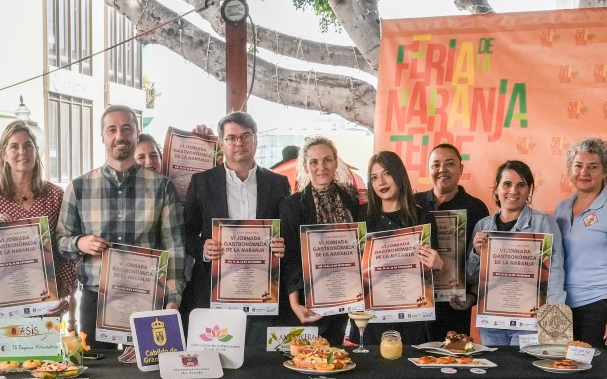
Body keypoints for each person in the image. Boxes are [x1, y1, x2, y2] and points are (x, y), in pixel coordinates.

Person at [56, 104, 185, 348]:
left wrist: (173, 297)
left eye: (127, 129)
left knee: (146, 378)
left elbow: (175, 248)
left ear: (137, 133)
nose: (119, 136)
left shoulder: (162, 187)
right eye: (112, 129)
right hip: (95, 299)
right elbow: (61, 241)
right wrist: (79, 243)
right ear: (102, 136)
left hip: (147, 298)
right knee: (98, 378)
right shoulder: (79, 187)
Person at [181, 111, 290, 345]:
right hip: (215, 290)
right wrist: (202, 247)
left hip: (262, 292)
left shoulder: (278, 183)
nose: (239, 143)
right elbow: (185, 232)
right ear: (222, 143)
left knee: (257, 364)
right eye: (232, 138)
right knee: (218, 360)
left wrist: (283, 244)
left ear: (256, 139)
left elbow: (286, 231)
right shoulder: (201, 182)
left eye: (246, 136)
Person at [0, 120, 75, 347]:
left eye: (29, 145)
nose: (22, 152)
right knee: (3, 371)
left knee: (42, 369)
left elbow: (64, 247)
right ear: (3, 154)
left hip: (45, 301)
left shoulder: (55, 195)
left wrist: (66, 291)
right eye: (14, 146)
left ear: (37, 152)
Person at [466, 160, 566, 346]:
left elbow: (556, 272)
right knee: (496, 371)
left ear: (529, 190)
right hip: (492, 322)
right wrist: (476, 253)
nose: (513, 191)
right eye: (507, 184)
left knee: (524, 373)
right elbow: (470, 278)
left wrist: (552, 319)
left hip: (531, 321)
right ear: (496, 188)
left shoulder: (543, 223)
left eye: (521, 185)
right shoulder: (482, 226)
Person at [553, 138, 607, 351]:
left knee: (592, 377)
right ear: (570, 169)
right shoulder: (562, 208)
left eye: (593, 167)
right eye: (578, 166)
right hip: (562, 307)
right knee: (562, 374)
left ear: (606, 171)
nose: (584, 172)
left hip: (599, 306)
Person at [280, 136, 365, 345]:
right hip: (309, 302)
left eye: (327, 160)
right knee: (310, 358)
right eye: (314, 162)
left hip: (347, 297)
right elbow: (289, 257)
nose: (321, 167)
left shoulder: (352, 198)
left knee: (338, 355)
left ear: (336, 162)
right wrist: (294, 302)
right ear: (306, 167)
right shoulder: (291, 206)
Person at [365, 150, 444, 345]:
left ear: (399, 174)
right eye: (374, 177)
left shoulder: (422, 217)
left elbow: (435, 265)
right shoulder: (364, 219)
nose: (381, 182)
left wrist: (438, 263)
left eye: (387, 173)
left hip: (413, 317)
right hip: (375, 318)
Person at [414, 144, 490, 341]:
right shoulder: (413, 203)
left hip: (454, 306)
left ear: (461, 169)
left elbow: (484, 262)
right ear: (428, 169)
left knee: (452, 364)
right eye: (436, 164)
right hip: (416, 307)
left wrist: (472, 298)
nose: (442, 170)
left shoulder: (476, 208)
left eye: (449, 164)